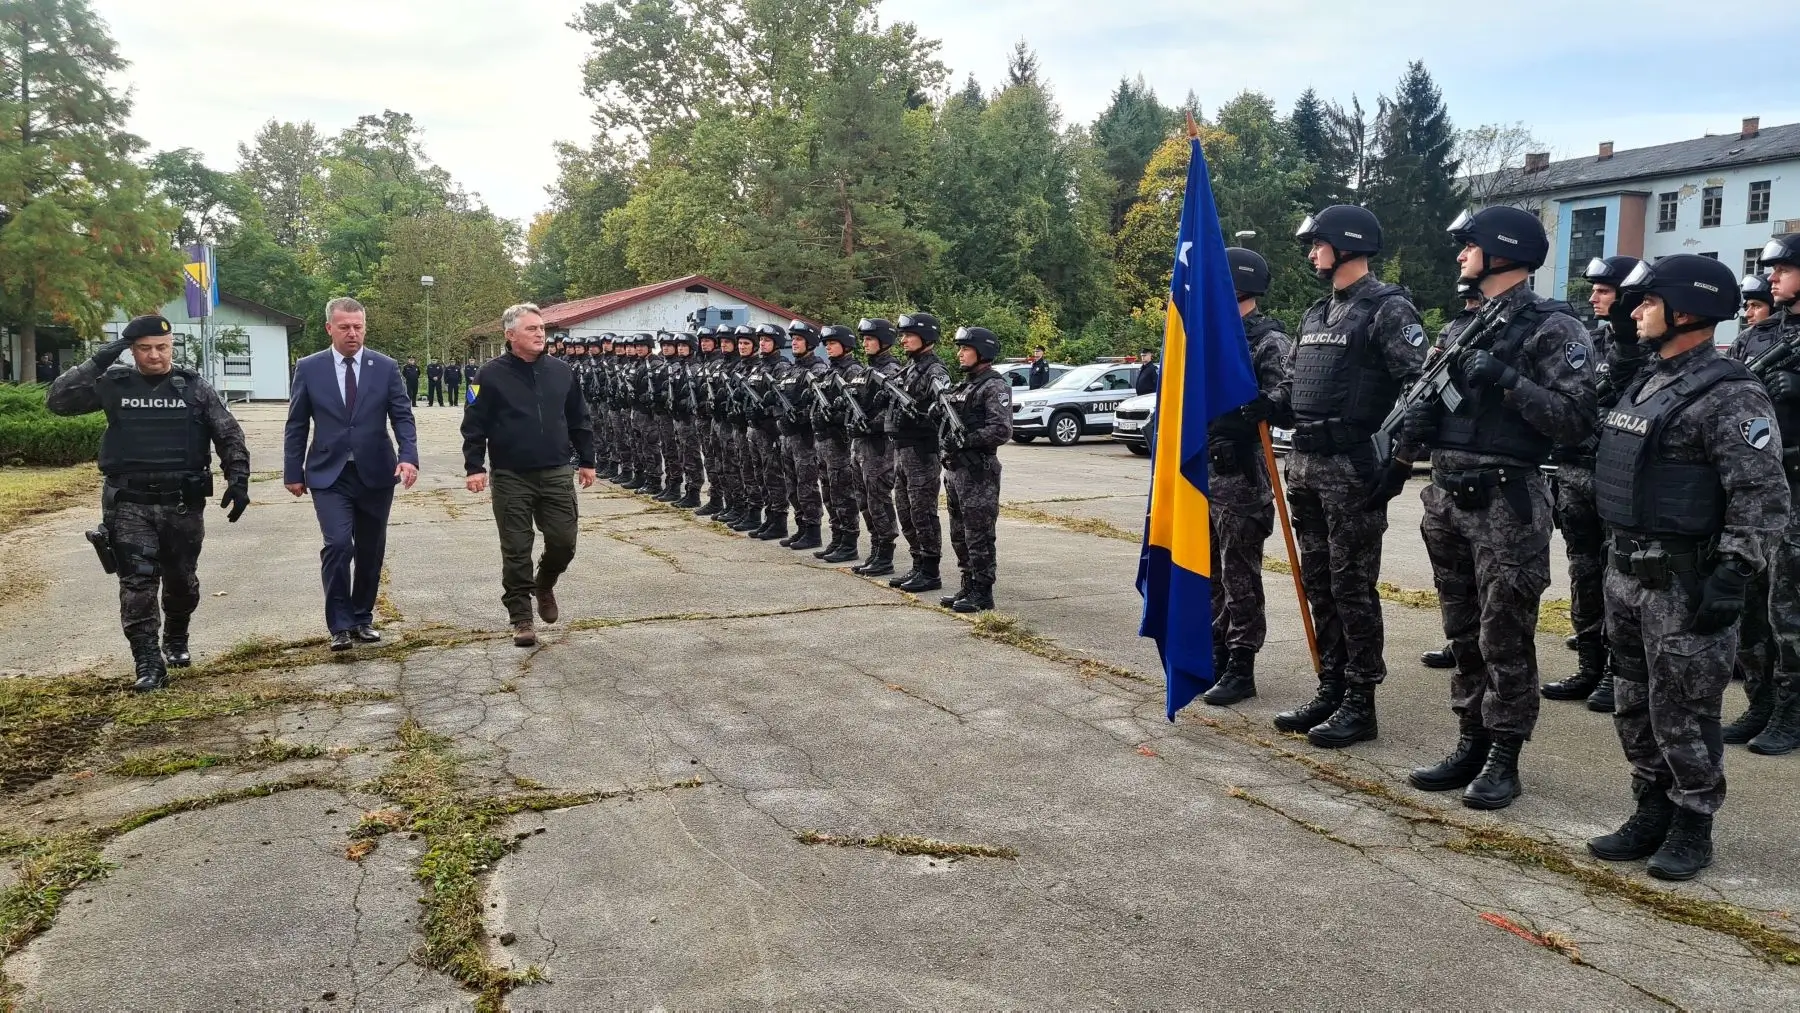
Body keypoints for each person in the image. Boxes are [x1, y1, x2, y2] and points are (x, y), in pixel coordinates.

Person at [1585, 254, 1787, 881]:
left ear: (1685, 310)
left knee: (1686, 710)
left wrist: (1734, 573)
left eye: (1646, 303)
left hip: (1683, 582)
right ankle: (1650, 806)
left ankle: (1693, 821)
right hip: (1625, 573)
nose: (1635, 312)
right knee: (1632, 699)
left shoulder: (1730, 393)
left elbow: (1762, 493)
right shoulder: (1648, 380)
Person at [1397, 208, 1593, 810]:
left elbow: (1576, 420)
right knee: (1462, 631)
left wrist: (1510, 377)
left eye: (1469, 246)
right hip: (1449, 500)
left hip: (1508, 501)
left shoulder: (1554, 329)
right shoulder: (1464, 325)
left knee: (1504, 633)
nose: (1460, 256)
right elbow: (1426, 393)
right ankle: (1470, 739)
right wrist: (1419, 422)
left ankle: (1504, 754)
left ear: (1504, 251)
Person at [1267, 205, 1426, 748]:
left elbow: (1419, 391)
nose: (1312, 253)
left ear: (1348, 246)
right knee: (1318, 583)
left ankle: (1361, 700)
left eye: (1318, 244)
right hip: (1305, 467)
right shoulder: (1315, 315)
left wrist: (1401, 463)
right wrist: (1251, 405)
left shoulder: (1387, 309)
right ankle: (1330, 686)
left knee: (1352, 586)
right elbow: (1291, 393)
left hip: (1353, 470)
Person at [47, 314, 251, 691]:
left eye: (162, 347)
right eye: (145, 349)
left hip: (181, 504)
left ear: (171, 346)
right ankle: (147, 662)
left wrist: (238, 479)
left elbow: (228, 434)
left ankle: (175, 637)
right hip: (128, 502)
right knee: (137, 583)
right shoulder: (113, 383)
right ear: (131, 349)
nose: (155, 356)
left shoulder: (193, 388)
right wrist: (97, 362)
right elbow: (58, 401)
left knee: (181, 583)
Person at [1541, 256, 1647, 712]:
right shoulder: (1590, 341)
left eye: (1604, 290)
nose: (1593, 296)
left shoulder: (1643, 346)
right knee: (1583, 574)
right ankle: (1589, 665)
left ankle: (1615, 672)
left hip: (1616, 480)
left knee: (1617, 581)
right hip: (1575, 473)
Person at [283, 298, 420, 650]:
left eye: (358, 326)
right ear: (330, 328)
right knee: (339, 545)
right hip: (329, 474)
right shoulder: (309, 368)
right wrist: (292, 471)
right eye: (344, 327)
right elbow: (296, 423)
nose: (352, 333)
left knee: (371, 549)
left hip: (375, 471)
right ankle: (339, 625)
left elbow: (402, 416)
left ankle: (362, 618)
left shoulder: (385, 367)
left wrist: (408, 457)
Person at [461, 303, 596, 648]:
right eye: (531, 329)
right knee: (517, 548)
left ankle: (545, 582)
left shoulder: (562, 371)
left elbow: (579, 418)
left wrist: (587, 460)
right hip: (510, 475)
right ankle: (521, 616)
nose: (540, 334)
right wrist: (474, 466)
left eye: (541, 328)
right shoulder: (486, 375)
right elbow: (473, 424)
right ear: (510, 335)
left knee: (564, 542)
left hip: (555, 471)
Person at [1200, 248, 1294, 706]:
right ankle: (1215, 651)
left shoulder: (1267, 339)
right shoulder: (1209, 335)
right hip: (1205, 471)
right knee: (1210, 573)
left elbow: (1289, 395)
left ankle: (1242, 664)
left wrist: (1264, 406)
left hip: (1241, 473)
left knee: (1239, 574)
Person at [1738, 233, 1800, 754]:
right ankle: (1759, 702)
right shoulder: (1761, 335)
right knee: (1750, 602)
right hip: (1759, 486)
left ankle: (1791, 711)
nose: (1771, 276)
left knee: (1791, 608)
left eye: (1782, 268)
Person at [1418, 280, 1489, 672]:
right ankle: (1461, 640)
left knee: (1492, 586)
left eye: (1473, 296)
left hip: (1488, 477)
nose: (1469, 303)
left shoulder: (1513, 326)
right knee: (1454, 582)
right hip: (1447, 479)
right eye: (1465, 297)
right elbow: (1428, 372)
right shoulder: (1453, 328)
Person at [935, 327, 1013, 613]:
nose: (959, 354)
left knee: (978, 533)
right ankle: (967, 583)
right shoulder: (964, 386)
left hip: (978, 471)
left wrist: (967, 439)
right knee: (959, 532)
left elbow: (1001, 430)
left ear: (982, 352)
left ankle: (982, 591)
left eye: (965, 349)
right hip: (955, 471)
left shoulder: (994, 387)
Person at [885, 313, 952, 592]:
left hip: (922, 452)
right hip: (902, 450)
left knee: (922, 511)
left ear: (925, 337)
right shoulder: (911, 368)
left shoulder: (935, 371)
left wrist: (924, 417)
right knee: (905, 509)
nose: (903, 340)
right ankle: (917, 563)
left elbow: (945, 414)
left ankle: (930, 570)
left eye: (908, 335)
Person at [850, 318, 904, 576]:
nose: (865, 343)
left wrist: (871, 425)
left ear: (884, 341)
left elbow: (896, 409)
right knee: (864, 500)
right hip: (860, 446)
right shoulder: (864, 371)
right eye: (864, 339)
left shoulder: (891, 370)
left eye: (870, 339)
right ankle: (875, 549)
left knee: (878, 500)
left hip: (879, 448)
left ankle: (885, 554)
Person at [814, 324, 865, 562]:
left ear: (845, 345)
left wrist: (838, 416)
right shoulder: (830, 371)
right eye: (826, 344)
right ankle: (837, 538)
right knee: (830, 492)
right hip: (825, 441)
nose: (828, 348)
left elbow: (856, 405)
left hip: (840, 443)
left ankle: (849, 542)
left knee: (843, 493)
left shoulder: (852, 370)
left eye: (832, 343)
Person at [776, 321, 827, 550]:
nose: (794, 342)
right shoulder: (792, 370)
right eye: (793, 339)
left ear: (810, 343)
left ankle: (813, 530)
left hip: (805, 438)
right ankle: (801, 526)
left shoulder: (817, 370)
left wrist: (802, 415)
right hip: (788, 436)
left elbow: (820, 406)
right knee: (792, 484)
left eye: (799, 339)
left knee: (807, 485)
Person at [745, 323, 795, 540]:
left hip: (770, 431)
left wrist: (768, 408)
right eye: (761, 340)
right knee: (761, 475)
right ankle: (770, 517)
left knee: (773, 476)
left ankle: (779, 521)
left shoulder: (781, 367)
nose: (763, 343)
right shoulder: (759, 366)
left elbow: (784, 399)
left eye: (767, 340)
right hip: (755, 429)